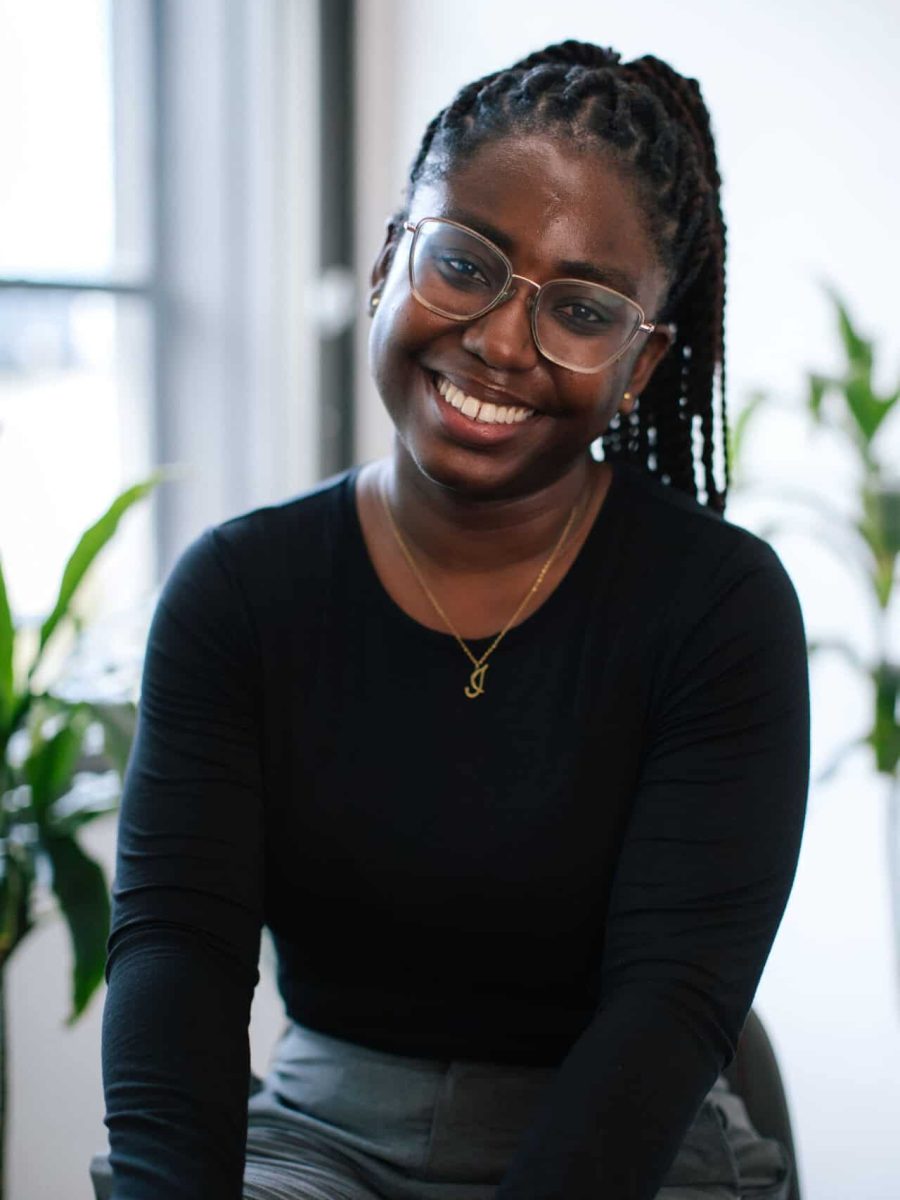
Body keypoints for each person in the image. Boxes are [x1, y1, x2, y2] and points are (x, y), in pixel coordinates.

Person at [100, 38, 810, 1200]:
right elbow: (177, 953)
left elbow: (667, 1012)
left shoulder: (718, 610)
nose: (496, 340)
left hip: (628, 1154)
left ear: (640, 368)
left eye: (581, 309)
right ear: (391, 261)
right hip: (321, 1144)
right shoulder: (239, 592)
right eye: (466, 263)